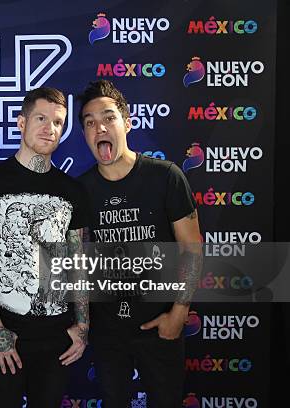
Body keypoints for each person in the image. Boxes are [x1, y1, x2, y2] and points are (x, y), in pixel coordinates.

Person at [76, 79, 202, 407]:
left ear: (127, 123)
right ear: (85, 135)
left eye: (108, 118)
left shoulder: (166, 176)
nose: (99, 127)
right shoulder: (81, 190)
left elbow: (192, 247)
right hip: (107, 333)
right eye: (90, 123)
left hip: (160, 326)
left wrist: (178, 313)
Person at [0, 87, 90, 408]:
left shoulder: (72, 191)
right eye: (41, 119)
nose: (50, 129)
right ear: (21, 122)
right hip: (8, 335)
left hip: (57, 337)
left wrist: (83, 325)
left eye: (58, 123)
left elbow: (78, 261)